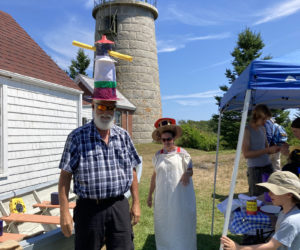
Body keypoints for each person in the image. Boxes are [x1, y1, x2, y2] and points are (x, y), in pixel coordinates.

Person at [58, 36, 141, 250]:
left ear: (115, 109)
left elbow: (132, 170)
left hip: (118, 207)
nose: (106, 112)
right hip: (89, 210)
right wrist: (64, 211)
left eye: (110, 107)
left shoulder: (123, 136)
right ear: (94, 106)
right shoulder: (77, 137)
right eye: (101, 107)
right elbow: (65, 177)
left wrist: (136, 203)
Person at [147, 118, 197, 250]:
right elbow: (154, 176)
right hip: (163, 198)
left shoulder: (183, 154)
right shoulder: (158, 155)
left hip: (180, 198)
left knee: (181, 225)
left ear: (174, 138)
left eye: (169, 139)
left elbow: (191, 170)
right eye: (164, 140)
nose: (167, 142)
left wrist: (187, 173)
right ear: (160, 141)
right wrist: (149, 195)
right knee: (164, 224)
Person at [220, 170, 300, 250]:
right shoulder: (284, 213)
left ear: (289, 195)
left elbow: (272, 246)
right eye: (269, 190)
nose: (269, 194)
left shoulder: (290, 221)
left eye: (274, 191)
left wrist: (238, 248)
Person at [242, 104, 281, 196]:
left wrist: (275, 149)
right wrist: (267, 150)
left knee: (272, 195)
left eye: (266, 119)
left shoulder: (262, 129)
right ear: (256, 117)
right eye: (263, 119)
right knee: (257, 198)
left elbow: (266, 149)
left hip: (268, 166)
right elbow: (246, 154)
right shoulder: (247, 130)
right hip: (256, 170)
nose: (265, 122)